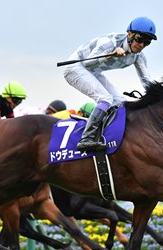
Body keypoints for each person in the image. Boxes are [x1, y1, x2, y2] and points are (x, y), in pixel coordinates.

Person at [63, 17, 157, 151]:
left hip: (93, 72)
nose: (141, 45)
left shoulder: (139, 57)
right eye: (139, 39)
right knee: (105, 98)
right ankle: (87, 138)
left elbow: (147, 82)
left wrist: (162, 96)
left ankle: (105, 135)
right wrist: (110, 55)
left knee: (120, 102)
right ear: (129, 34)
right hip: (76, 68)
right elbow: (87, 62)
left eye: (147, 42)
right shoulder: (110, 43)